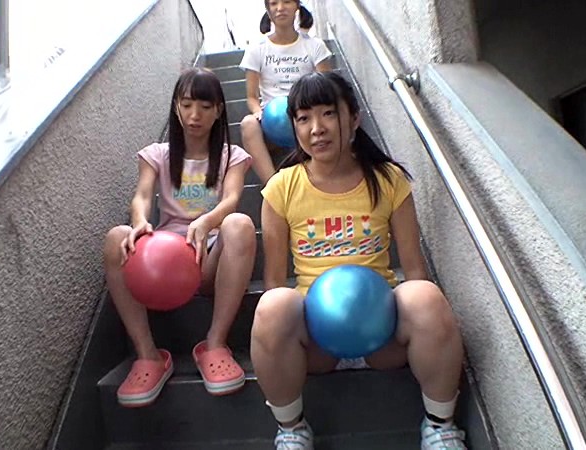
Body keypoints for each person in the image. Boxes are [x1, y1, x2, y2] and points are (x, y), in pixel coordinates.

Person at [251, 72, 467, 449]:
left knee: (425, 295)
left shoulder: (388, 180)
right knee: (272, 305)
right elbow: (273, 281)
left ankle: (440, 426)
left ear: (353, 118)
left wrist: (421, 316)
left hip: (381, 334)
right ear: (294, 127)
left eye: (328, 113)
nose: (316, 128)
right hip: (317, 341)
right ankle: (292, 429)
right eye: (303, 118)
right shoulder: (281, 188)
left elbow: (414, 269)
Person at [103, 68, 256, 408]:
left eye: (204, 106)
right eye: (186, 105)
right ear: (176, 107)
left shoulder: (232, 156)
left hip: (210, 259)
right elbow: (142, 195)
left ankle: (215, 344)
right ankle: (148, 356)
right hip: (164, 263)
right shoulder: (157, 154)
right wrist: (140, 222)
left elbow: (232, 199)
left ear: (218, 110)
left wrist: (206, 221)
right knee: (116, 237)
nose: (194, 114)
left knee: (240, 224)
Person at [240, 0, 332, 185]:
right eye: (274, 3)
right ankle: (274, 187)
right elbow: (251, 97)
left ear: (297, 5)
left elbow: (328, 89)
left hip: (307, 116)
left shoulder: (315, 45)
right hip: (272, 121)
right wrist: (258, 112)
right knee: (248, 124)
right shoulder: (256, 49)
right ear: (268, 9)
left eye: (287, 2)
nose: (280, 8)